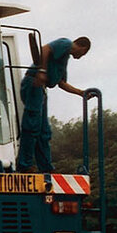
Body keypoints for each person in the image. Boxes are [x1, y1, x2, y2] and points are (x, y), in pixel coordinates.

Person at [14, 35, 92, 173]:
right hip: (34, 84)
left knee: (44, 131)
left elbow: (61, 83)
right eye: (83, 53)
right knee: (32, 125)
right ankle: (24, 164)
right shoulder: (66, 44)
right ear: (82, 47)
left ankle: (46, 167)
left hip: (41, 89)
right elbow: (45, 49)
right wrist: (42, 71)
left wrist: (81, 93)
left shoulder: (63, 59)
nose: (81, 56)